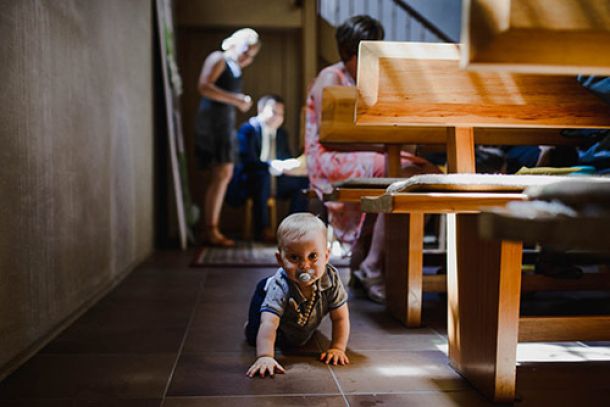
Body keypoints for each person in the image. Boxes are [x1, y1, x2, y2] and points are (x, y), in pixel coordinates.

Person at [304, 15, 438, 302]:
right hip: (329, 157)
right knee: (405, 174)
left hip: (357, 151)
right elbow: (329, 135)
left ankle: (367, 260)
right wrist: (382, 143)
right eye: (364, 51)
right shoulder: (332, 76)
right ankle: (373, 265)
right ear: (350, 51)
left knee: (424, 171)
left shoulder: (361, 78)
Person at [245, 213, 350, 378]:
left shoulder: (330, 279)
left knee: (302, 337)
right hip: (271, 314)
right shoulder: (280, 285)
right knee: (254, 334)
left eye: (313, 256)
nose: (305, 266)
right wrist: (265, 356)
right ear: (280, 260)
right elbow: (269, 323)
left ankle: (302, 327)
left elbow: (340, 318)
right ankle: (253, 323)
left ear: (326, 256)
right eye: (294, 257)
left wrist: (337, 347)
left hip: (299, 322)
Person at [195, 28, 260, 247]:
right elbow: (203, 86)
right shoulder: (218, 58)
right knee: (221, 173)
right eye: (245, 51)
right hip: (213, 124)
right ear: (235, 43)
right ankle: (211, 229)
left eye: (251, 56)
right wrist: (237, 99)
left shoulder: (235, 67)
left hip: (225, 125)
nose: (246, 58)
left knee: (224, 174)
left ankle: (211, 227)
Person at [227, 95, 310, 241]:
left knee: (302, 184)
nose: (277, 117)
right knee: (262, 177)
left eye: (281, 114)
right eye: (273, 112)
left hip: (276, 181)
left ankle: (295, 231)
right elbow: (247, 161)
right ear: (260, 110)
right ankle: (263, 230)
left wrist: (290, 166)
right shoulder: (248, 130)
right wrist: (271, 165)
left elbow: (286, 158)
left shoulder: (282, 134)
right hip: (251, 181)